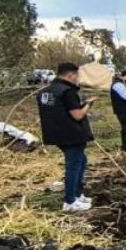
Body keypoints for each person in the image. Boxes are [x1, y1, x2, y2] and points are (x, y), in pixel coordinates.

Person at [37, 62, 95, 212]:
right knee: (74, 165)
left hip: (55, 133)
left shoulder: (45, 92)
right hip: (71, 134)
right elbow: (77, 115)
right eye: (77, 75)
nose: (77, 79)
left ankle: (78, 194)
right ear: (70, 75)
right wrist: (88, 105)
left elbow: (57, 110)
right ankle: (70, 201)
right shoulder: (67, 91)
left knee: (81, 161)